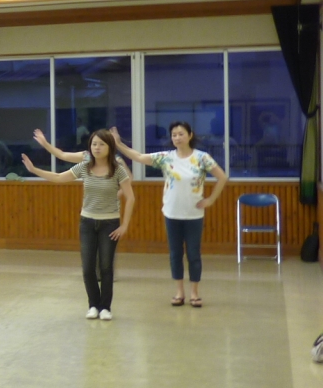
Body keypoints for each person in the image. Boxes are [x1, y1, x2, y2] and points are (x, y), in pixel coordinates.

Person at [112, 123, 229, 308]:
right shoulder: (166, 157)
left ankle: (194, 293)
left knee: (193, 254)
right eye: (174, 135)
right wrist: (119, 144)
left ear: (190, 135)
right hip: (171, 213)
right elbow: (139, 157)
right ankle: (179, 292)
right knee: (175, 254)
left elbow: (222, 177)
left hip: (194, 214)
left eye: (181, 134)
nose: (177, 137)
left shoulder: (202, 158)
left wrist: (211, 200)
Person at [21, 129, 134, 320]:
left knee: (106, 267)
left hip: (109, 223)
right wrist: (34, 170)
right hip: (87, 222)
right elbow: (59, 177)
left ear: (110, 147)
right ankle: (93, 305)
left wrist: (124, 225)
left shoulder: (118, 169)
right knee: (88, 268)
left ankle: (105, 308)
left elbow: (130, 198)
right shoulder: (84, 166)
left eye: (102, 144)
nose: (97, 148)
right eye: (94, 144)